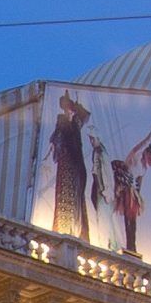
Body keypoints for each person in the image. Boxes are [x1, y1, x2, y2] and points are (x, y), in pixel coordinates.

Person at [46, 90, 92, 241]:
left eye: (69, 106)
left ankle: (78, 231)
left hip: (76, 162)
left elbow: (86, 115)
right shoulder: (62, 120)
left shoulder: (77, 120)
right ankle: (65, 231)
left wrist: (76, 108)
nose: (67, 108)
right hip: (66, 160)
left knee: (78, 195)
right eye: (65, 106)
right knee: (65, 195)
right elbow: (56, 138)